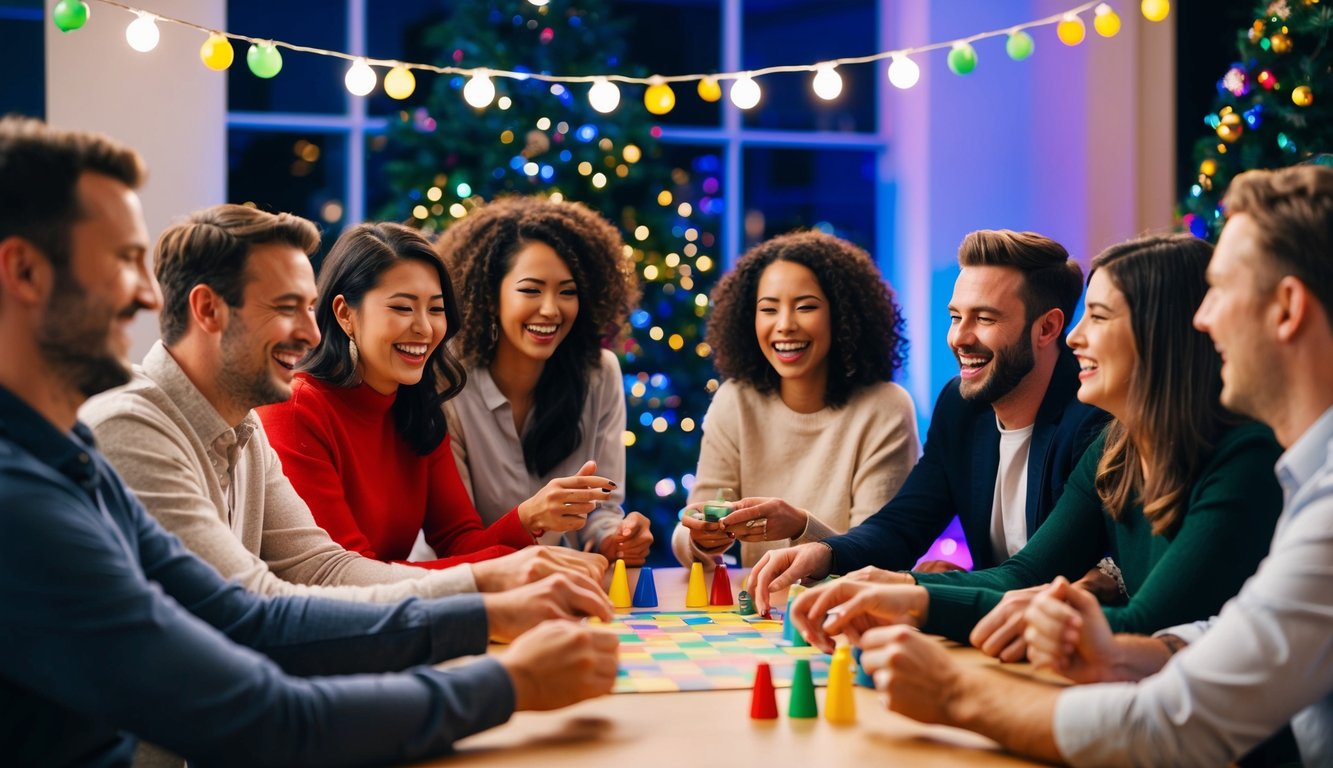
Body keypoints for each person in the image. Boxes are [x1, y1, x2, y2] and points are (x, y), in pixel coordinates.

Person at [0, 116, 618, 766]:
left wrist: (486, 603)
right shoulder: (94, 446)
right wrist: (507, 676)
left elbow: (270, 603)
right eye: (123, 261)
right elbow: (266, 700)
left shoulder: (89, 448)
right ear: (25, 272)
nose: (147, 293)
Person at [819, 165, 1333, 766]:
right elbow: (1229, 632)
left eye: (1221, 291)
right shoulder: (1126, 447)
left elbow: (1173, 714)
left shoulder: (1257, 464)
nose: (1204, 317)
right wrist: (907, 590)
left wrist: (953, 687)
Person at [81, 203, 608, 603]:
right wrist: (490, 583)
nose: (311, 332)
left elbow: (324, 568)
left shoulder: (246, 430)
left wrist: (506, 561)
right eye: (288, 308)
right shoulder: (133, 426)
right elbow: (250, 606)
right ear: (208, 310)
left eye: (309, 309)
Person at [791, 233, 1283, 660]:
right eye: (956, 316)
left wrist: (914, 597)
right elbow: (1024, 572)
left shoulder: (1240, 458)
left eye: (1099, 316)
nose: (1076, 337)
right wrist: (897, 584)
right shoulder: (1119, 446)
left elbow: (1144, 625)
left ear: (1162, 337)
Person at [750, 229, 1107, 613]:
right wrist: (823, 553)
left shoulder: (1091, 419)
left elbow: (1034, 576)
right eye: (956, 316)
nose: (959, 337)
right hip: (992, 631)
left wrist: (910, 584)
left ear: (1047, 328)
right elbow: (902, 526)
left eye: (984, 318)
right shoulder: (960, 406)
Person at [259, 222, 569, 567]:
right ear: (345, 314)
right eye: (403, 308)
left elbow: (459, 541)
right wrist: (514, 567)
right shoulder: (295, 410)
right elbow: (348, 573)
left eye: (436, 309)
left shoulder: (416, 409)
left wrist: (529, 518)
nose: (425, 328)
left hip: (398, 612)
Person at [669, 230, 919, 567]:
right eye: (768, 309)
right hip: (754, 611)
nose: (785, 325)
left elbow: (878, 555)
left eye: (806, 307)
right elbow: (692, 525)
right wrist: (700, 538)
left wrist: (801, 526)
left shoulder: (885, 407)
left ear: (842, 316)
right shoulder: (736, 400)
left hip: (844, 610)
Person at [434, 196, 653, 563]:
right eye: (531, 290)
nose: (551, 309)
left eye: (567, 292)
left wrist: (615, 537)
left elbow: (601, 511)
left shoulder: (599, 373)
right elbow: (456, 538)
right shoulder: (447, 377)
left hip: (559, 587)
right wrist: (530, 517)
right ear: (491, 295)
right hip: (462, 590)